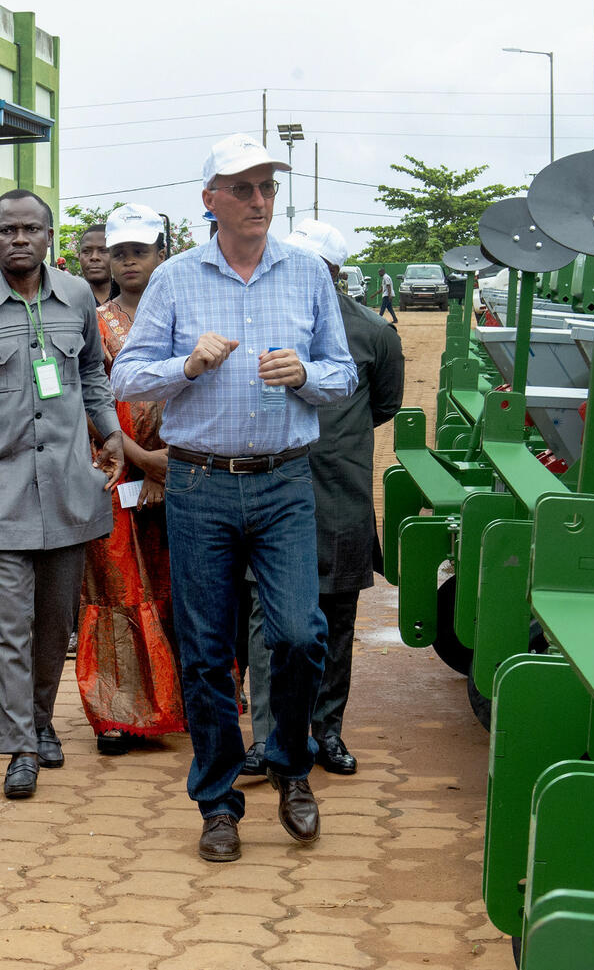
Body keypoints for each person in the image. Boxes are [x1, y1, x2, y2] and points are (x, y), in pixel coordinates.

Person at [110, 133, 356, 863]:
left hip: (283, 480)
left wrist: (304, 375)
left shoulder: (308, 273)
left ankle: (288, 760)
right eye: (243, 188)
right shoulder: (177, 280)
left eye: (268, 188)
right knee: (208, 651)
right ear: (209, 199)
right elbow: (126, 379)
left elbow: (342, 375)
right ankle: (217, 799)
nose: (258, 201)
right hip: (198, 481)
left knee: (296, 633)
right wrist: (186, 365)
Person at [0, 189, 125, 800]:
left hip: (67, 489)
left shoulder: (78, 296)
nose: (19, 239)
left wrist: (108, 431)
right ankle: (21, 747)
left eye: (31, 229)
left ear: (49, 235)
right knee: (5, 626)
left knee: (53, 624)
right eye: (6, 230)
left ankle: (38, 719)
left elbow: (89, 371)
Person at [243, 219, 404, 778]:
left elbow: (383, 406)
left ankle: (326, 732)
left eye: (319, 268)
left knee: (335, 619)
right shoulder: (262, 322)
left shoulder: (373, 334)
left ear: (337, 275)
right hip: (270, 489)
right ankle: (267, 740)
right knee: (267, 622)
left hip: (339, 494)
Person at [77, 204, 185, 756]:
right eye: (119, 253)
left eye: (139, 251)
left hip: (187, 473)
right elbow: (84, 405)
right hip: (117, 472)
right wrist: (142, 457)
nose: (127, 262)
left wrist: (174, 459)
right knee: (117, 588)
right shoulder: (92, 322)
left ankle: (186, 702)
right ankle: (117, 712)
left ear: (161, 253)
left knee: (182, 586)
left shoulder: (186, 315)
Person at [77, 223, 111, 306]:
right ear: (79, 257)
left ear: (115, 255)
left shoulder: (131, 296)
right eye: (86, 251)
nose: (94, 257)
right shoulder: (68, 297)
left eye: (103, 251)